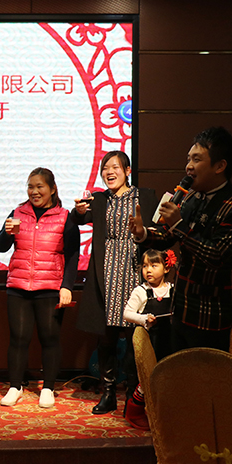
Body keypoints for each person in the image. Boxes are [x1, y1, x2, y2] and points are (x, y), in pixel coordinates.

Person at [129, 126, 232, 353]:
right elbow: (167, 236)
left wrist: (179, 224)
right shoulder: (192, 197)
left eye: (197, 159)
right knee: (179, 371)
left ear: (220, 166)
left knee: (206, 373)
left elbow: (216, 256)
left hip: (212, 316)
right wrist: (142, 233)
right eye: (188, 159)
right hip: (181, 310)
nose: (189, 166)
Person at [70, 151, 157, 415]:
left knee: (134, 337)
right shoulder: (99, 199)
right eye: (105, 168)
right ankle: (108, 393)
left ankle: (133, 394)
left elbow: (158, 231)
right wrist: (78, 211)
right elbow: (77, 219)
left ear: (128, 171)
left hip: (134, 270)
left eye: (115, 167)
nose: (109, 172)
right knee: (106, 337)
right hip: (105, 272)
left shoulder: (145, 197)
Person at [0, 168, 80, 408]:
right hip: (19, 286)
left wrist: (67, 286)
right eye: (30, 187)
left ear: (52, 189)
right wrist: (6, 233)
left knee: (50, 338)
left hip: (50, 287)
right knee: (18, 338)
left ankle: (48, 388)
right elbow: (0, 246)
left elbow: (73, 255)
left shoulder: (65, 217)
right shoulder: (17, 213)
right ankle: (15, 386)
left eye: (40, 186)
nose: (34, 191)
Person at [122, 248, 176, 430]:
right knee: (143, 379)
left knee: (165, 377)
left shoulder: (172, 290)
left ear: (166, 268)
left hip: (167, 341)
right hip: (148, 342)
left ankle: (163, 413)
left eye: (154, 265)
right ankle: (134, 412)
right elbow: (127, 313)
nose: (148, 270)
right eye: (145, 266)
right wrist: (144, 318)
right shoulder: (141, 291)